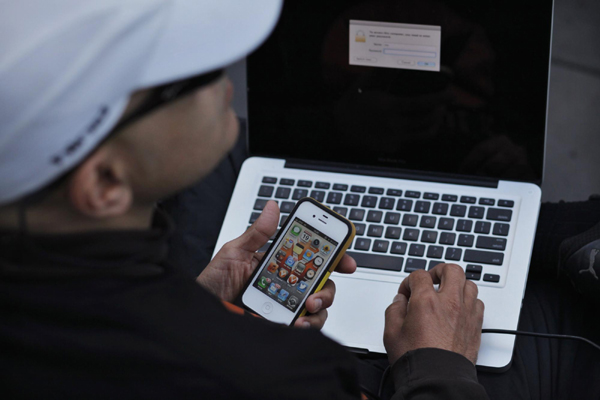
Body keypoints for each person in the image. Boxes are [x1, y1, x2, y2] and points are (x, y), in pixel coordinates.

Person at [0, 1, 518, 399]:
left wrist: (202, 308)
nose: (226, 77)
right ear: (105, 186)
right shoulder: (286, 375)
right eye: (191, 74)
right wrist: (437, 367)